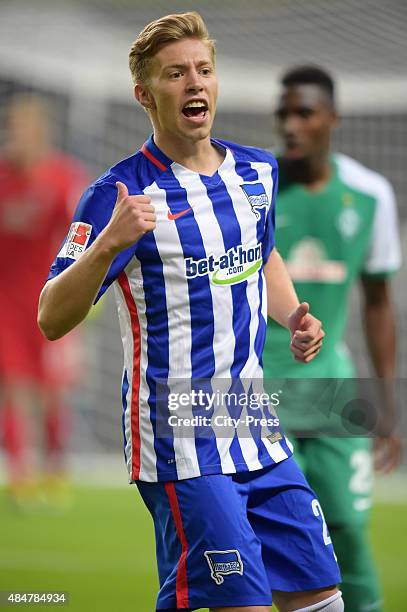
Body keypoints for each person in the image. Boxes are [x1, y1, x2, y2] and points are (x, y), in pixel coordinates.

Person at [38, 13, 344, 612]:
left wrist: (292, 317)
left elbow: (263, 251)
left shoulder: (257, 170)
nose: (195, 83)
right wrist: (107, 244)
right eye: (176, 74)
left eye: (203, 70)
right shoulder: (119, 194)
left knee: (321, 597)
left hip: (252, 422)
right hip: (179, 437)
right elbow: (50, 316)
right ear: (145, 94)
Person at [263, 65, 401, 612]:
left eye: (305, 113)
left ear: (333, 119)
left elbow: (378, 302)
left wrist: (386, 403)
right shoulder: (256, 190)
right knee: (274, 533)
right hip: (258, 391)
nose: (291, 125)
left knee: (345, 523)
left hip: (335, 392)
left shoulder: (370, 194)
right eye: (284, 114)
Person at [0, 94, 88, 508]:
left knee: (53, 392)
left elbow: (79, 238)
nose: (18, 138)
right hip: (5, 304)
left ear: (41, 133)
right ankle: (21, 475)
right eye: (13, 130)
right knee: (14, 387)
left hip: (50, 301)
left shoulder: (63, 179)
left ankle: (55, 469)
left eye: (25, 130)